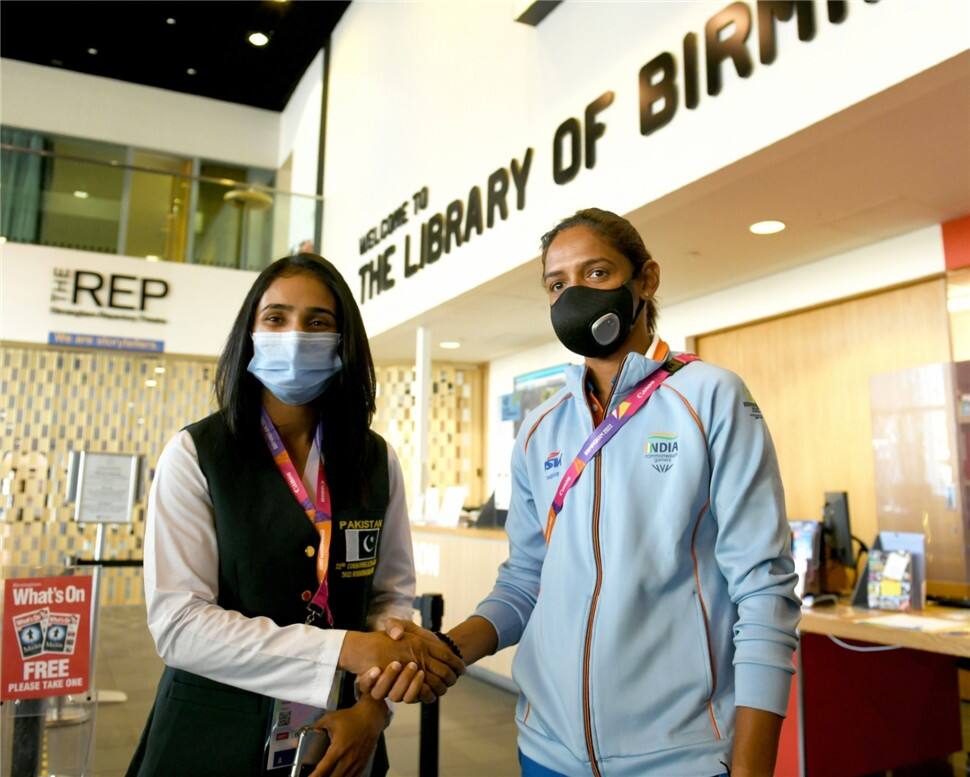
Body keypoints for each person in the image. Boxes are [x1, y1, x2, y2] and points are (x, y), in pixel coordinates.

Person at [370, 208, 801, 777]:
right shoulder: (541, 426)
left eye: (596, 274)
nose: (574, 295)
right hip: (545, 748)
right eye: (557, 283)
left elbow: (764, 588)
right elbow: (527, 580)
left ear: (644, 280)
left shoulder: (711, 397)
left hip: (680, 757)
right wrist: (448, 652)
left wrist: (752, 765)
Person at [127, 253, 464, 777]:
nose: (295, 334)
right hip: (210, 738)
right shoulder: (197, 454)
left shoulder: (376, 460)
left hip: (344, 737)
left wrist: (374, 710)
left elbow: (389, 597)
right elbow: (179, 625)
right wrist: (347, 649)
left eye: (317, 322)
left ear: (342, 340)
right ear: (251, 333)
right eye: (276, 318)